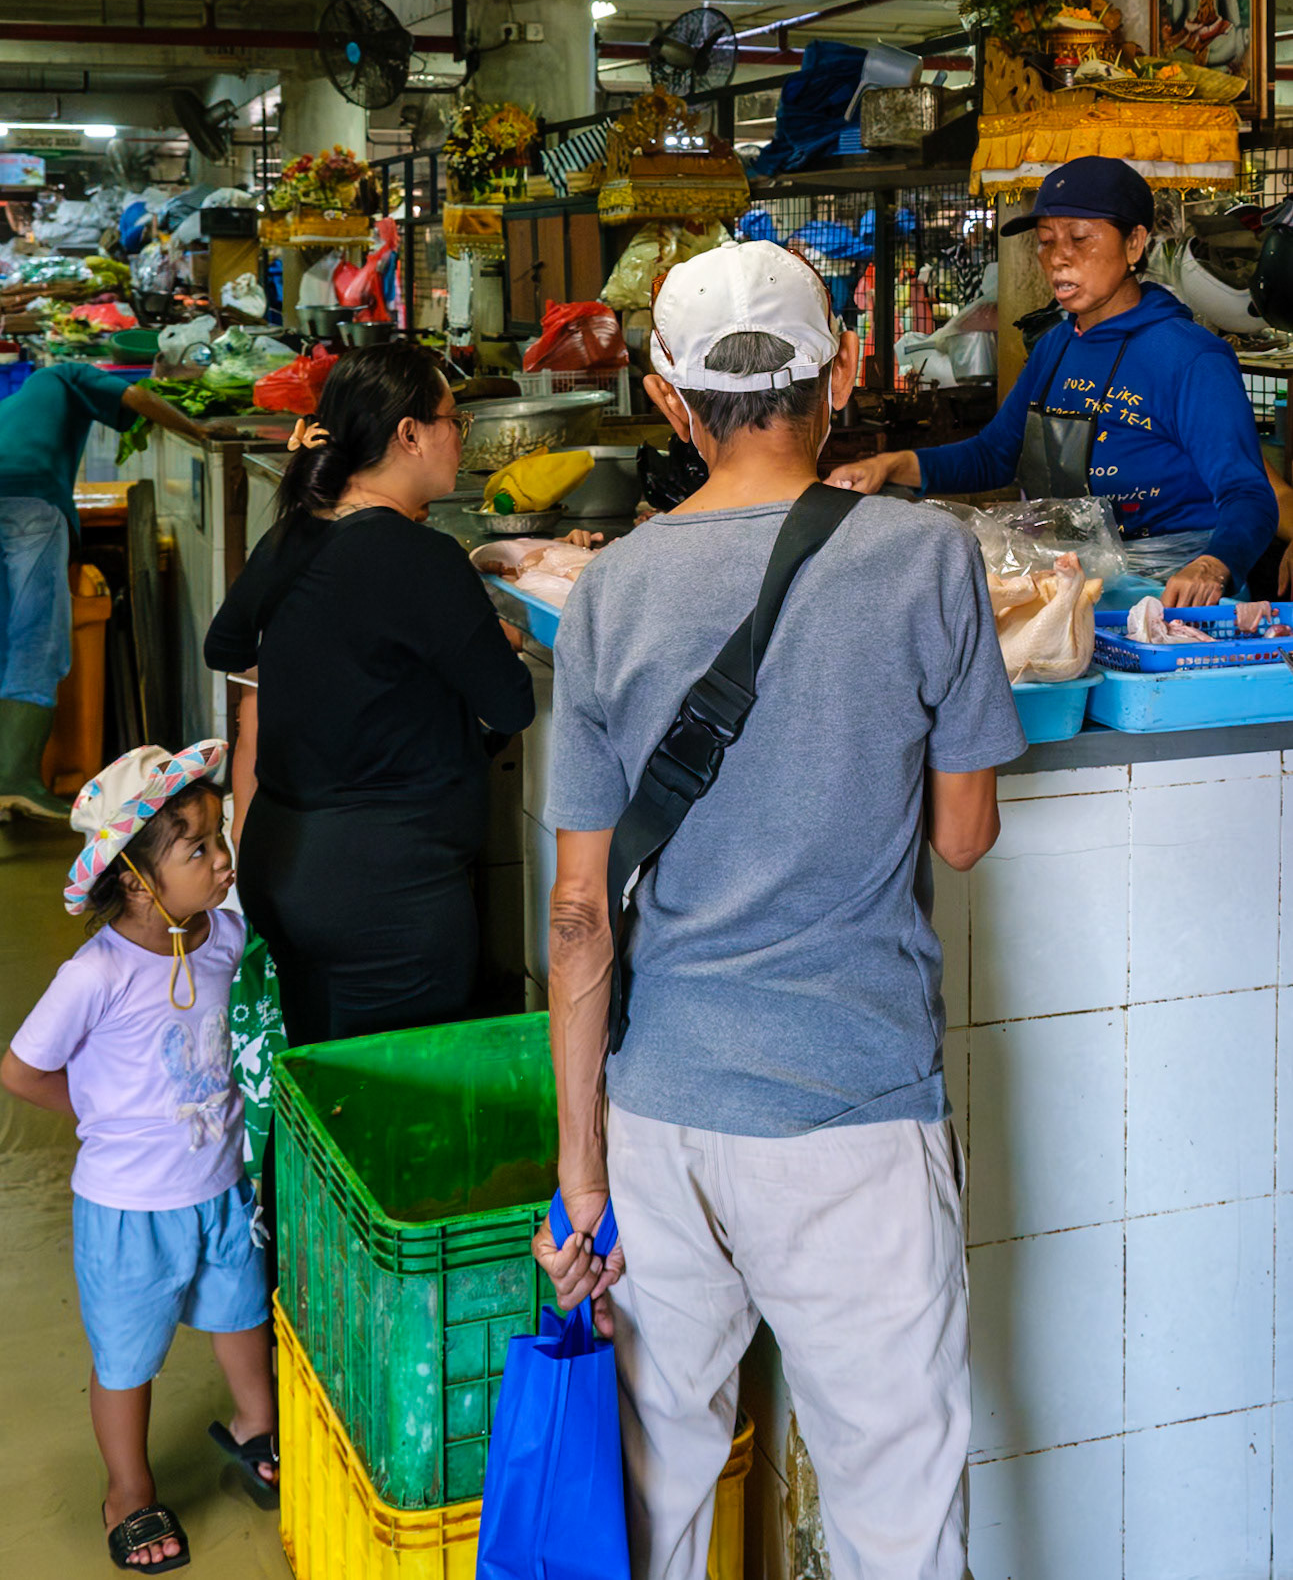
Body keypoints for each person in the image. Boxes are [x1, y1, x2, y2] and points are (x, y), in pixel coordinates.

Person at [532, 242, 1025, 1580]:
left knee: (653, 1492)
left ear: (664, 398)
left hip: (661, 1116)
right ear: (843, 372)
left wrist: (581, 1168)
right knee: (894, 1505)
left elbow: (581, 913)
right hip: (853, 1109)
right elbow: (965, 836)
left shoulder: (610, 590)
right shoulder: (928, 558)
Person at [204, 343, 535, 1049]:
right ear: (408, 434)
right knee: (388, 1104)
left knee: (321, 1086)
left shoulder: (293, 533)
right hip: (385, 894)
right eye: (455, 421)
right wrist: (481, 644)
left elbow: (225, 648)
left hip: (284, 862)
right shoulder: (422, 559)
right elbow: (510, 706)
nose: (459, 439)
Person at [0, 740, 276, 1573]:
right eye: (198, 848)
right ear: (134, 877)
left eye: (220, 836)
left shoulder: (224, 938)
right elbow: (20, 1068)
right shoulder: (97, 973)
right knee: (127, 1354)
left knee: (242, 1314)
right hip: (126, 1207)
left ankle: (253, 1426)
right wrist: (98, 1114)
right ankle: (128, 1488)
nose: (222, 859)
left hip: (221, 1188)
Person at [829, 157, 1277, 608]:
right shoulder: (1056, 347)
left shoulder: (1191, 357)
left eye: (1080, 238)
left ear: (1134, 243)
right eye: (1046, 242)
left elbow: (1249, 495)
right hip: (1075, 590)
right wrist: (890, 466)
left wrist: (1213, 564)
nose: (1058, 256)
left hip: (1173, 599)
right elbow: (995, 455)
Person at [0, 362, 220, 820]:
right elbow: (136, 398)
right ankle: (15, 779)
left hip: (16, 496)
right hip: (30, 504)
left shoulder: (16, 406)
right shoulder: (66, 374)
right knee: (36, 638)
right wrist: (196, 428)